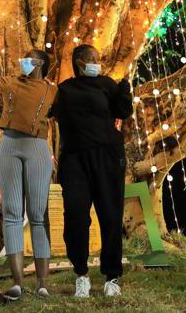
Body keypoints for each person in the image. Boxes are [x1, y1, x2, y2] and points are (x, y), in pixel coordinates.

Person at [0, 24, 57, 302]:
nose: (22, 62)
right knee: (13, 213)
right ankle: (17, 283)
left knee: (38, 215)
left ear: (39, 64)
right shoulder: (10, 82)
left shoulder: (53, 91)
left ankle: (42, 283)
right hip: (9, 147)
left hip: (37, 149)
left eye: (28, 59)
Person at [51, 44, 132, 298]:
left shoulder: (107, 85)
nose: (97, 62)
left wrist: (125, 90)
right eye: (91, 58)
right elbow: (52, 114)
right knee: (75, 216)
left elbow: (123, 112)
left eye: (98, 58)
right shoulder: (64, 89)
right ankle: (81, 275)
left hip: (107, 156)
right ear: (79, 62)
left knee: (110, 215)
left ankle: (112, 277)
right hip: (74, 160)